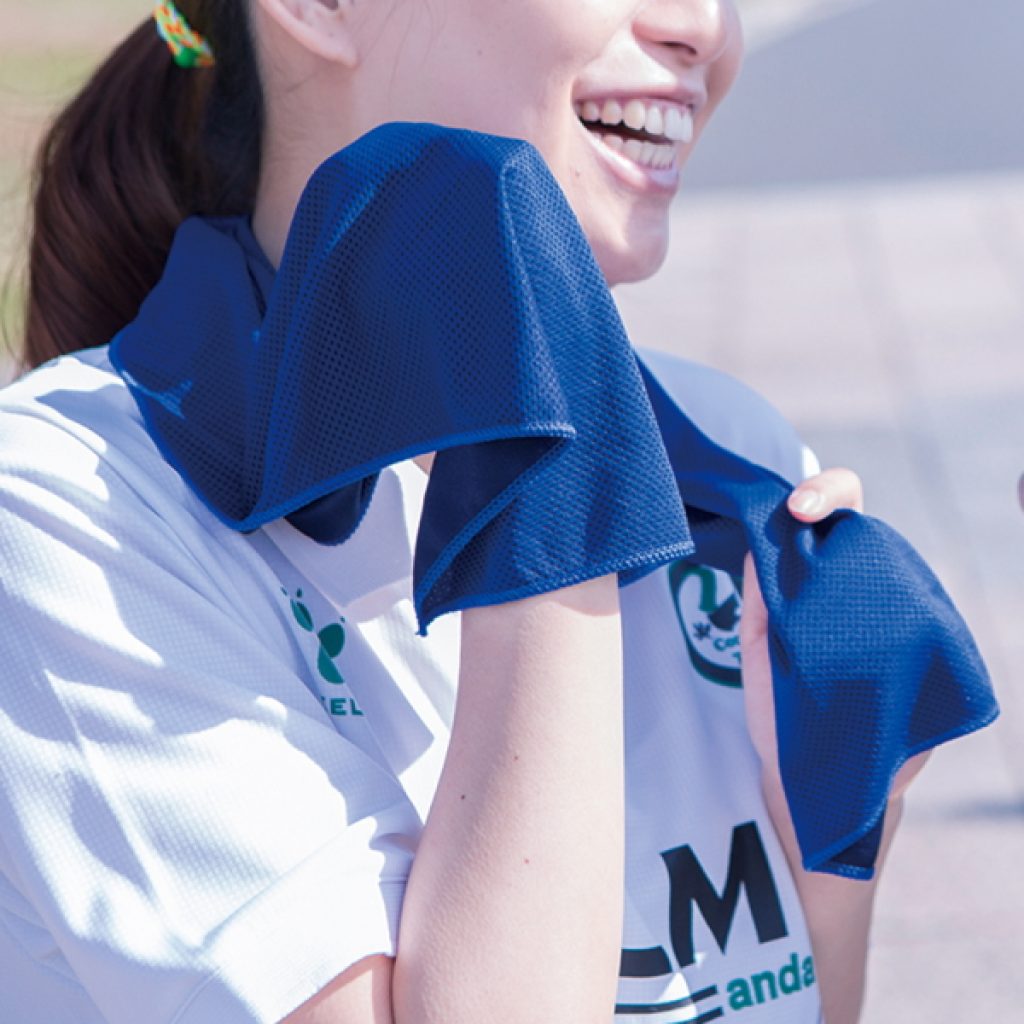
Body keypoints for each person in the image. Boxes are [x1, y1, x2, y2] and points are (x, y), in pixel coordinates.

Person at [0, 2, 936, 1023]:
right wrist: (550, 495)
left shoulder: (735, 456)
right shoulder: (67, 512)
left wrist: (836, 827)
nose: (702, 28)